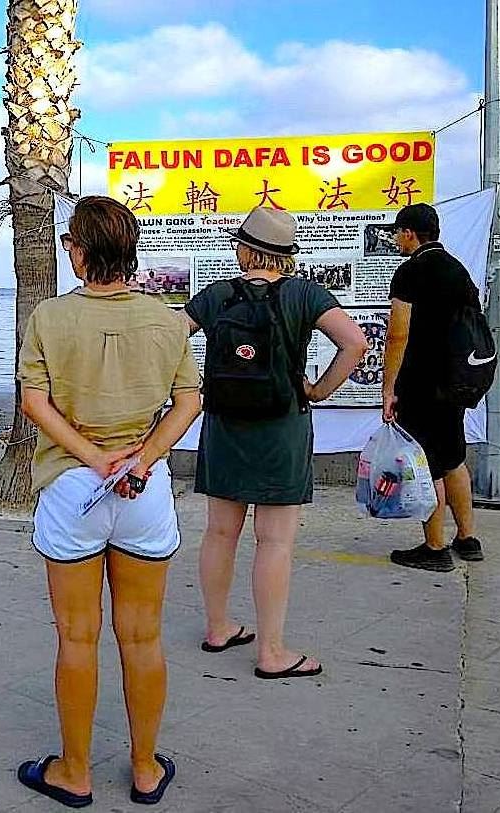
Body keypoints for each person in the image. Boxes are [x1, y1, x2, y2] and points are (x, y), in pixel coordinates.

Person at [15, 196, 202, 808]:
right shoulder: (167, 320)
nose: (68, 249)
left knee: (77, 637)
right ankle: (145, 767)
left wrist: (95, 458)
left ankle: (74, 772)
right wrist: (141, 459)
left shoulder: (49, 318)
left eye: (70, 241)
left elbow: (34, 403)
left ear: (82, 253)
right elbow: (188, 400)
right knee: (142, 637)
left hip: (74, 487)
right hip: (143, 487)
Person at [183, 206, 368, 680]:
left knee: (219, 533)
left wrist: (191, 387)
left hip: (224, 426)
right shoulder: (305, 294)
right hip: (282, 427)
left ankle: (218, 628)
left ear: (244, 250)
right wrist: (318, 390)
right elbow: (355, 343)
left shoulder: (218, 294)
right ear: (286, 255)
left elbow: (169, 337)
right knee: (275, 541)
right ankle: (271, 651)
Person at [382, 203, 486, 571]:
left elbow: (397, 335)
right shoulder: (457, 269)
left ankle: (435, 547)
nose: (396, 240)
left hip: (422, 384)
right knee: (454, 458)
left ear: (409, 233)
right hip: (456, 382)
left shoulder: (411, 271)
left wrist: (388, 388)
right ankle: (467, 539)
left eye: (398, 233)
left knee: (428, 465)